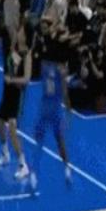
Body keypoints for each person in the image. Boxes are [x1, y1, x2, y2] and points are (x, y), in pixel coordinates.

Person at [31, 16, 72, 190]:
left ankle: (34, 173)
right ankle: (67, 168)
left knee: (39, 141)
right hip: (55, 107)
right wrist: (69, 110)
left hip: (45, 105)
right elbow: (65, 94)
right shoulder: (61, 70)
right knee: (60, 140)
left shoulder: (44, 65)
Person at [0, 26, 32, 180]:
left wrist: (12, 80)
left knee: (12, 129)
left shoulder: (27, 55)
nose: (18, 33)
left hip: (17, 95)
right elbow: (10, 65)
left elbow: (26, 79)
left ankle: (23, 165)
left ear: (26, 36)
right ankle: (5, 154)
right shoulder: (14, 49)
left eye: (21, 31)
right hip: (7, 91)